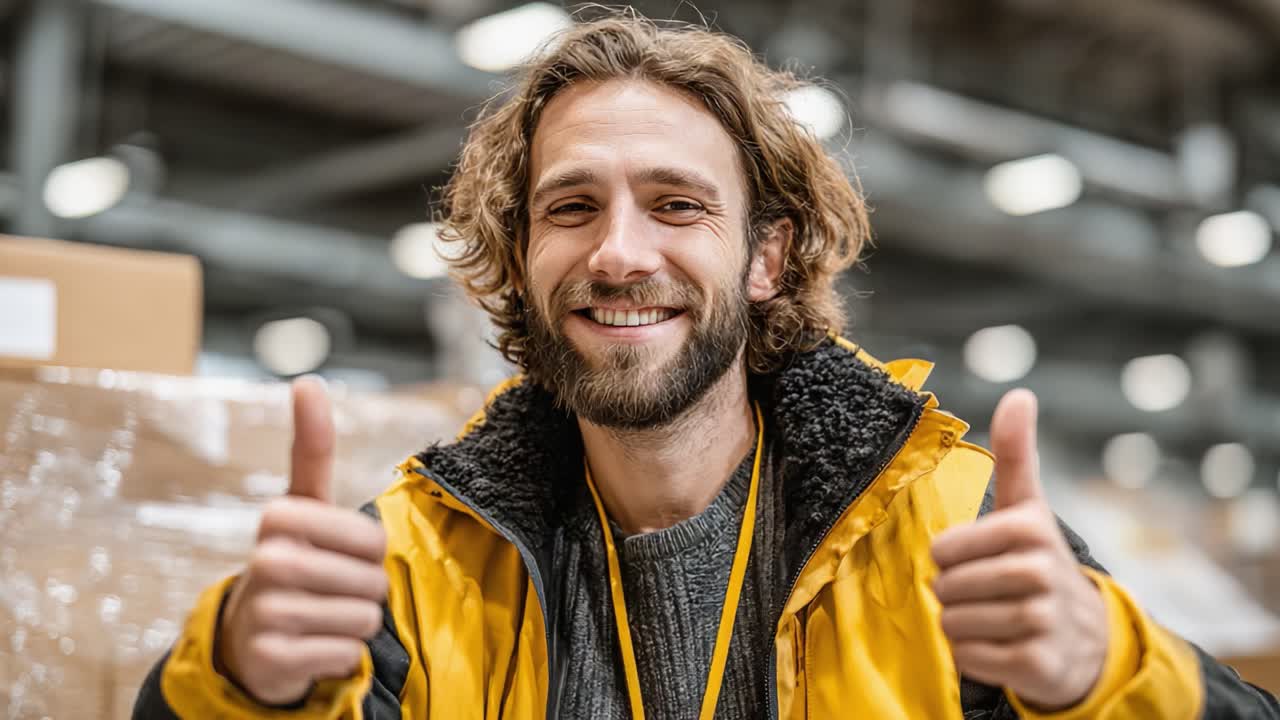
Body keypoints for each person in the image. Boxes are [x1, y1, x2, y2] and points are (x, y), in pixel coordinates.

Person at [134, 12, 1280, 720]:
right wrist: (243, 684)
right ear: (521, 258)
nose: (619, 252)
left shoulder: (945, 531)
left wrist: (1099, 679)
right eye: (570, 207)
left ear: (766, 257)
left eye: (676, 205)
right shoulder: (419, 559)